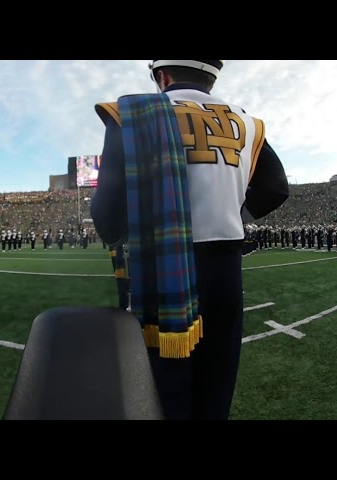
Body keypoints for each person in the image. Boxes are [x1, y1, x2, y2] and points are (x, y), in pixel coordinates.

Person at [90, 60, 289, 420]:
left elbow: (106, 211)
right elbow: (276, 188)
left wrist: (131, 231)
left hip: (162, 262)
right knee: (217, 375)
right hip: (225, 264)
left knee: (163, 379)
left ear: (162, 76)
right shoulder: (246, 121)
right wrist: (229, 211)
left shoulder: (134, 114)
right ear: (212, 76)